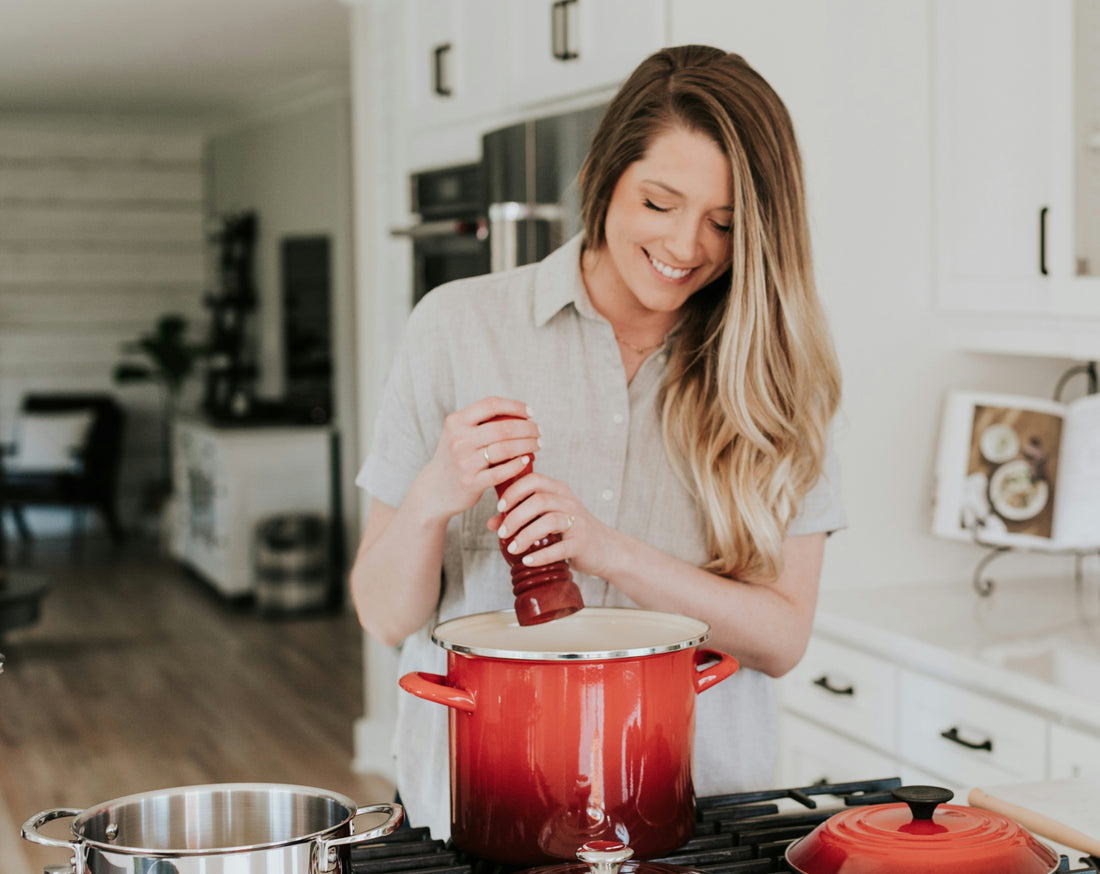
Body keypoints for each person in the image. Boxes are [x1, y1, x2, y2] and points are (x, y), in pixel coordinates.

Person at [350, 44, 845, 838]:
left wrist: (605, 549)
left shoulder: (777, 375)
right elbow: (381, 613)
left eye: (724, 222)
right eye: (659, 202)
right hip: (481, 810)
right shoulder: (457, 325)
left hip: (698, 818)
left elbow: (782, 638)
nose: (687, 246)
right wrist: (431, 498)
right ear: (604, 178)